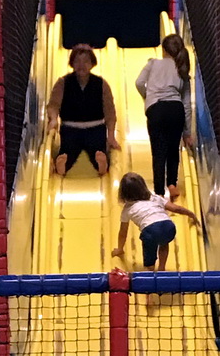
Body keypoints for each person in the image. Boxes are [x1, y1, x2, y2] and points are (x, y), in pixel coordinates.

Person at [135, 32, 192, 199]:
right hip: (176, 109)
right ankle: (172, 184)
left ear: (164, 50)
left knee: (158, 151)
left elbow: (139, 82)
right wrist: (187, 133)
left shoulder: (153, 64)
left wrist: (148, 97)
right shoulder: (182, 68)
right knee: (173, 149)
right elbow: (186, 104)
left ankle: (159, 192)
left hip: (156, 108)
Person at [47, 45, 119, 177]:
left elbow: (110, 111)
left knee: (98, 151)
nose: (81, 65)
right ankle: (62, 166)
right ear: (72, 64)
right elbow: (53, 104)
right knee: (67, 152)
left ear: (92, 64)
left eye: (86, 61)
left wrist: (111, 136)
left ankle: (102, 165)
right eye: (77, 62)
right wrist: (53, 119)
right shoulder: (63, 82)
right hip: (71, 128)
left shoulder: (101, 83)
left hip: (95, 127)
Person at [112, 171, 199, 271]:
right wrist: (191, 214)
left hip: (151, 231)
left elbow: (123, 232)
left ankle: (151, 268)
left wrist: (120, 249)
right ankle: (162, 267)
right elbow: (176, 208)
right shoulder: (155, 198)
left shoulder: (127, 209)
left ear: (123, 193)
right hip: (168, 226)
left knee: (150, 253)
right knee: (164, 242)